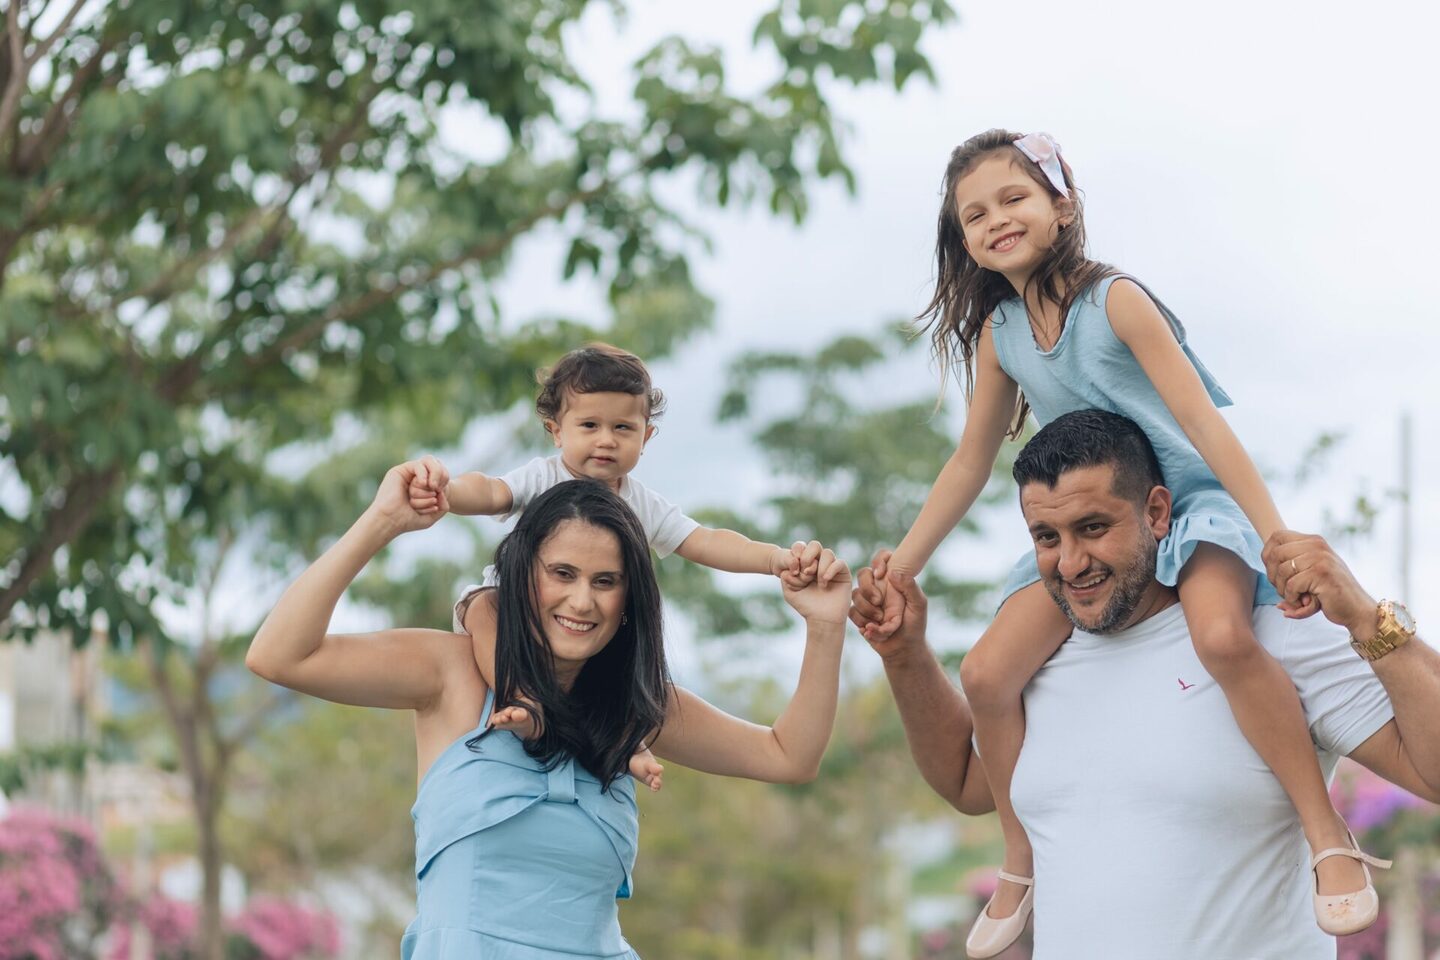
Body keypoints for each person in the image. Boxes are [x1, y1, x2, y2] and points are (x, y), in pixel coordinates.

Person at [864, 128, 1365, 953]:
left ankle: (1326, 833)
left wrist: (1274, 536)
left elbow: (1204, 424)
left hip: (1187, 505)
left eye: (1015, 197)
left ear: (1063, 206)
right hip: (1091, 531)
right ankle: (1020, 858)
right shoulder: (1001, 334)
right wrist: (900, 566)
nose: (997, 220)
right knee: (987, 670)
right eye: (974, 214)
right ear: (962, 240)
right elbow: (969, 460)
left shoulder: (1117, 301)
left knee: (1222, 637)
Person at [854, 410, 1440, 959]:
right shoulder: (1031, 665)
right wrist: (903, 654)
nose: (1071, 562)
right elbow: (965, 784)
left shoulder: (1269, 637)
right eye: (1047, 537)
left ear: (1158, 512)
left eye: (1093, 527)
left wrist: (1368, 620)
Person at [247, 471, 851, 959]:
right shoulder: (451, 673)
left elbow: (788, 756)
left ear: (629, 599)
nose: (582, 600)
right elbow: (278, 655)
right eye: (562, 573)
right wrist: (382, 524)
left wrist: (825, 627)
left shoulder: (638, 704)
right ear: (521, 573)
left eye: (606, 581)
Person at [405, 342, 826, 791]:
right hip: (511, 612)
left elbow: (703, 540)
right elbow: (490, 491)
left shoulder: (641, 503)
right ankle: (524, 699)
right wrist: (446, 491)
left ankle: (628, 741)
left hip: (586, 640)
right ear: (556, 431)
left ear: (645, 437)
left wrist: (776, 560)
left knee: (619, 675)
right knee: (484, 605)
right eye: (590, 425)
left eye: (623, 427)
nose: (606, 439)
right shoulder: (543, 477)